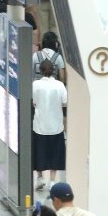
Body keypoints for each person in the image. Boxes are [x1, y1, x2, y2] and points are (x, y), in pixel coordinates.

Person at [31, 60, 67, 189]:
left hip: (40, 124)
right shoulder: (60, 85)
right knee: (55, 153)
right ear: (54, 71)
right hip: (56, 124)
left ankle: (40, 177)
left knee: (39, 151)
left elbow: (34, 101)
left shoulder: (35, 84)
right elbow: (65, 102)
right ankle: (52, 181)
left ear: (40, 70)